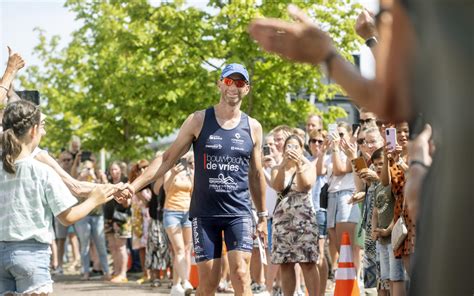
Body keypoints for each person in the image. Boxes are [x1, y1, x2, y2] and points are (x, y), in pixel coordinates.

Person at [122, 63, 267, 296]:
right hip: (205, 213)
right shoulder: (199, 120)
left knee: (241, 275)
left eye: (240, 83)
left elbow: (257, 173)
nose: (234, 87)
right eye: (229, 81)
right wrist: (133, 186)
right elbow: (168, 157)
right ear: (219, 83)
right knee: (208, 284)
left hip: (238, 213)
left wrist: (262, 216)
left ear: (247, 89)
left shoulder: (253, 127)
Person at [0, 100, 116, 295]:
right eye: (42, 127)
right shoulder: (42, 171)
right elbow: (67, 217)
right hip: (31, 254)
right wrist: (95, 200)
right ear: (33, 130)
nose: (44, 133)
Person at [271, 135, 319, 296]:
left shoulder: (308, 166)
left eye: (295, 146)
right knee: (286, 263)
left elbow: (306, 185)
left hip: (304, 221)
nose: (292, 150)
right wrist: (283, 165)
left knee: (308, 262)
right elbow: (277, 187)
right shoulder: (277, 167)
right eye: (288, 146)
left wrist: (298, 165)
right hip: (282, 222)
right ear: (284, 150)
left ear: (301, 149)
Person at [370, 148, 405, 296]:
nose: (378, 167)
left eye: (381, 164)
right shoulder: (378, 187)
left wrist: (389, 229)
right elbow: (375, 212)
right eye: (376, 164)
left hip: (393, 239)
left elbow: (398, 209)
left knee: (397, 276)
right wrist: (373, 229)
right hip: (382, 240)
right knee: (387, 278)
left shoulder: (393, 185)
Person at [162, 152, 194, 295]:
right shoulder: (170, 170)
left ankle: (175, 286)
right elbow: (166, 188)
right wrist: (174, 173)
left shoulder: (190, 173)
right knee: (179, 249)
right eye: (184, 159)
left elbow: (194, 193)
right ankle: (185, 280)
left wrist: (193, 175)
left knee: (186, 250)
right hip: (171, 212)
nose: (186, 162)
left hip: (187, 212)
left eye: (189, 161)